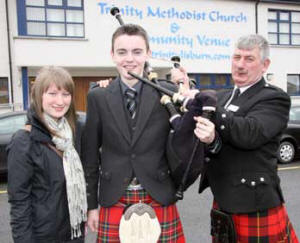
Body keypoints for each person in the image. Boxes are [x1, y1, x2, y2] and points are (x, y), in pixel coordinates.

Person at [171, 34, 299, 242]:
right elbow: (210, 128)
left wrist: (207, 102)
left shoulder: (274, 98)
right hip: (223, 199)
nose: (240, 65)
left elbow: (249, 133)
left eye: (249, 59)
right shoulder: (223, 96)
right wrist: (187, 89)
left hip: (254, 202)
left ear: (265, 65)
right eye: (236, 57)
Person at [82, 23, 185, 243]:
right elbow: (90, 157)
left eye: (137, 52)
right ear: (112, 55)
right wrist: (91, 206)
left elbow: (184, 142)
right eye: (122, 52)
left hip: (158, 193)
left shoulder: (168, 93)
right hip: (114, 197)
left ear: (148, 53)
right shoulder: (98, 97)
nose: (130, 59)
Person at [7, 66, 87, 243]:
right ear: (38, 96)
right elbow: (19, 204)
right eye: (52, 93)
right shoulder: (23, 141)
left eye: (66, 94)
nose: (60, 101)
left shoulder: (74, 132)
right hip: (42, 237)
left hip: (74, 233)